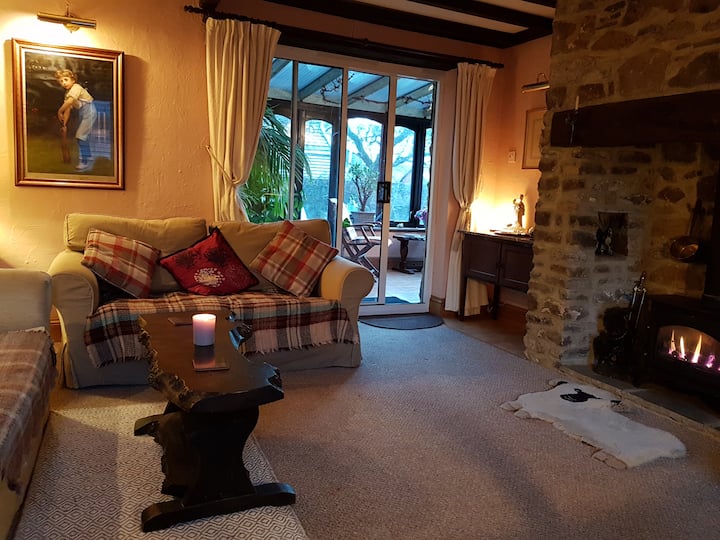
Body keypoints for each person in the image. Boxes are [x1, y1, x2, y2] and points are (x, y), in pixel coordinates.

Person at [55, 69, 97, 172]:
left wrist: (59, 111)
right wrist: (64, 125)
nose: (64, 83)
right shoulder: (68, 93)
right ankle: (88, 156)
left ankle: (84, 162)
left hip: (89, 112)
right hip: (84, 113)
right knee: (82, 137)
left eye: (66, 79)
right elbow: (68, 109)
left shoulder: (76, 87)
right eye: (61, 81)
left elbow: (69, 102)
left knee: (80, 136)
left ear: (73, 80)